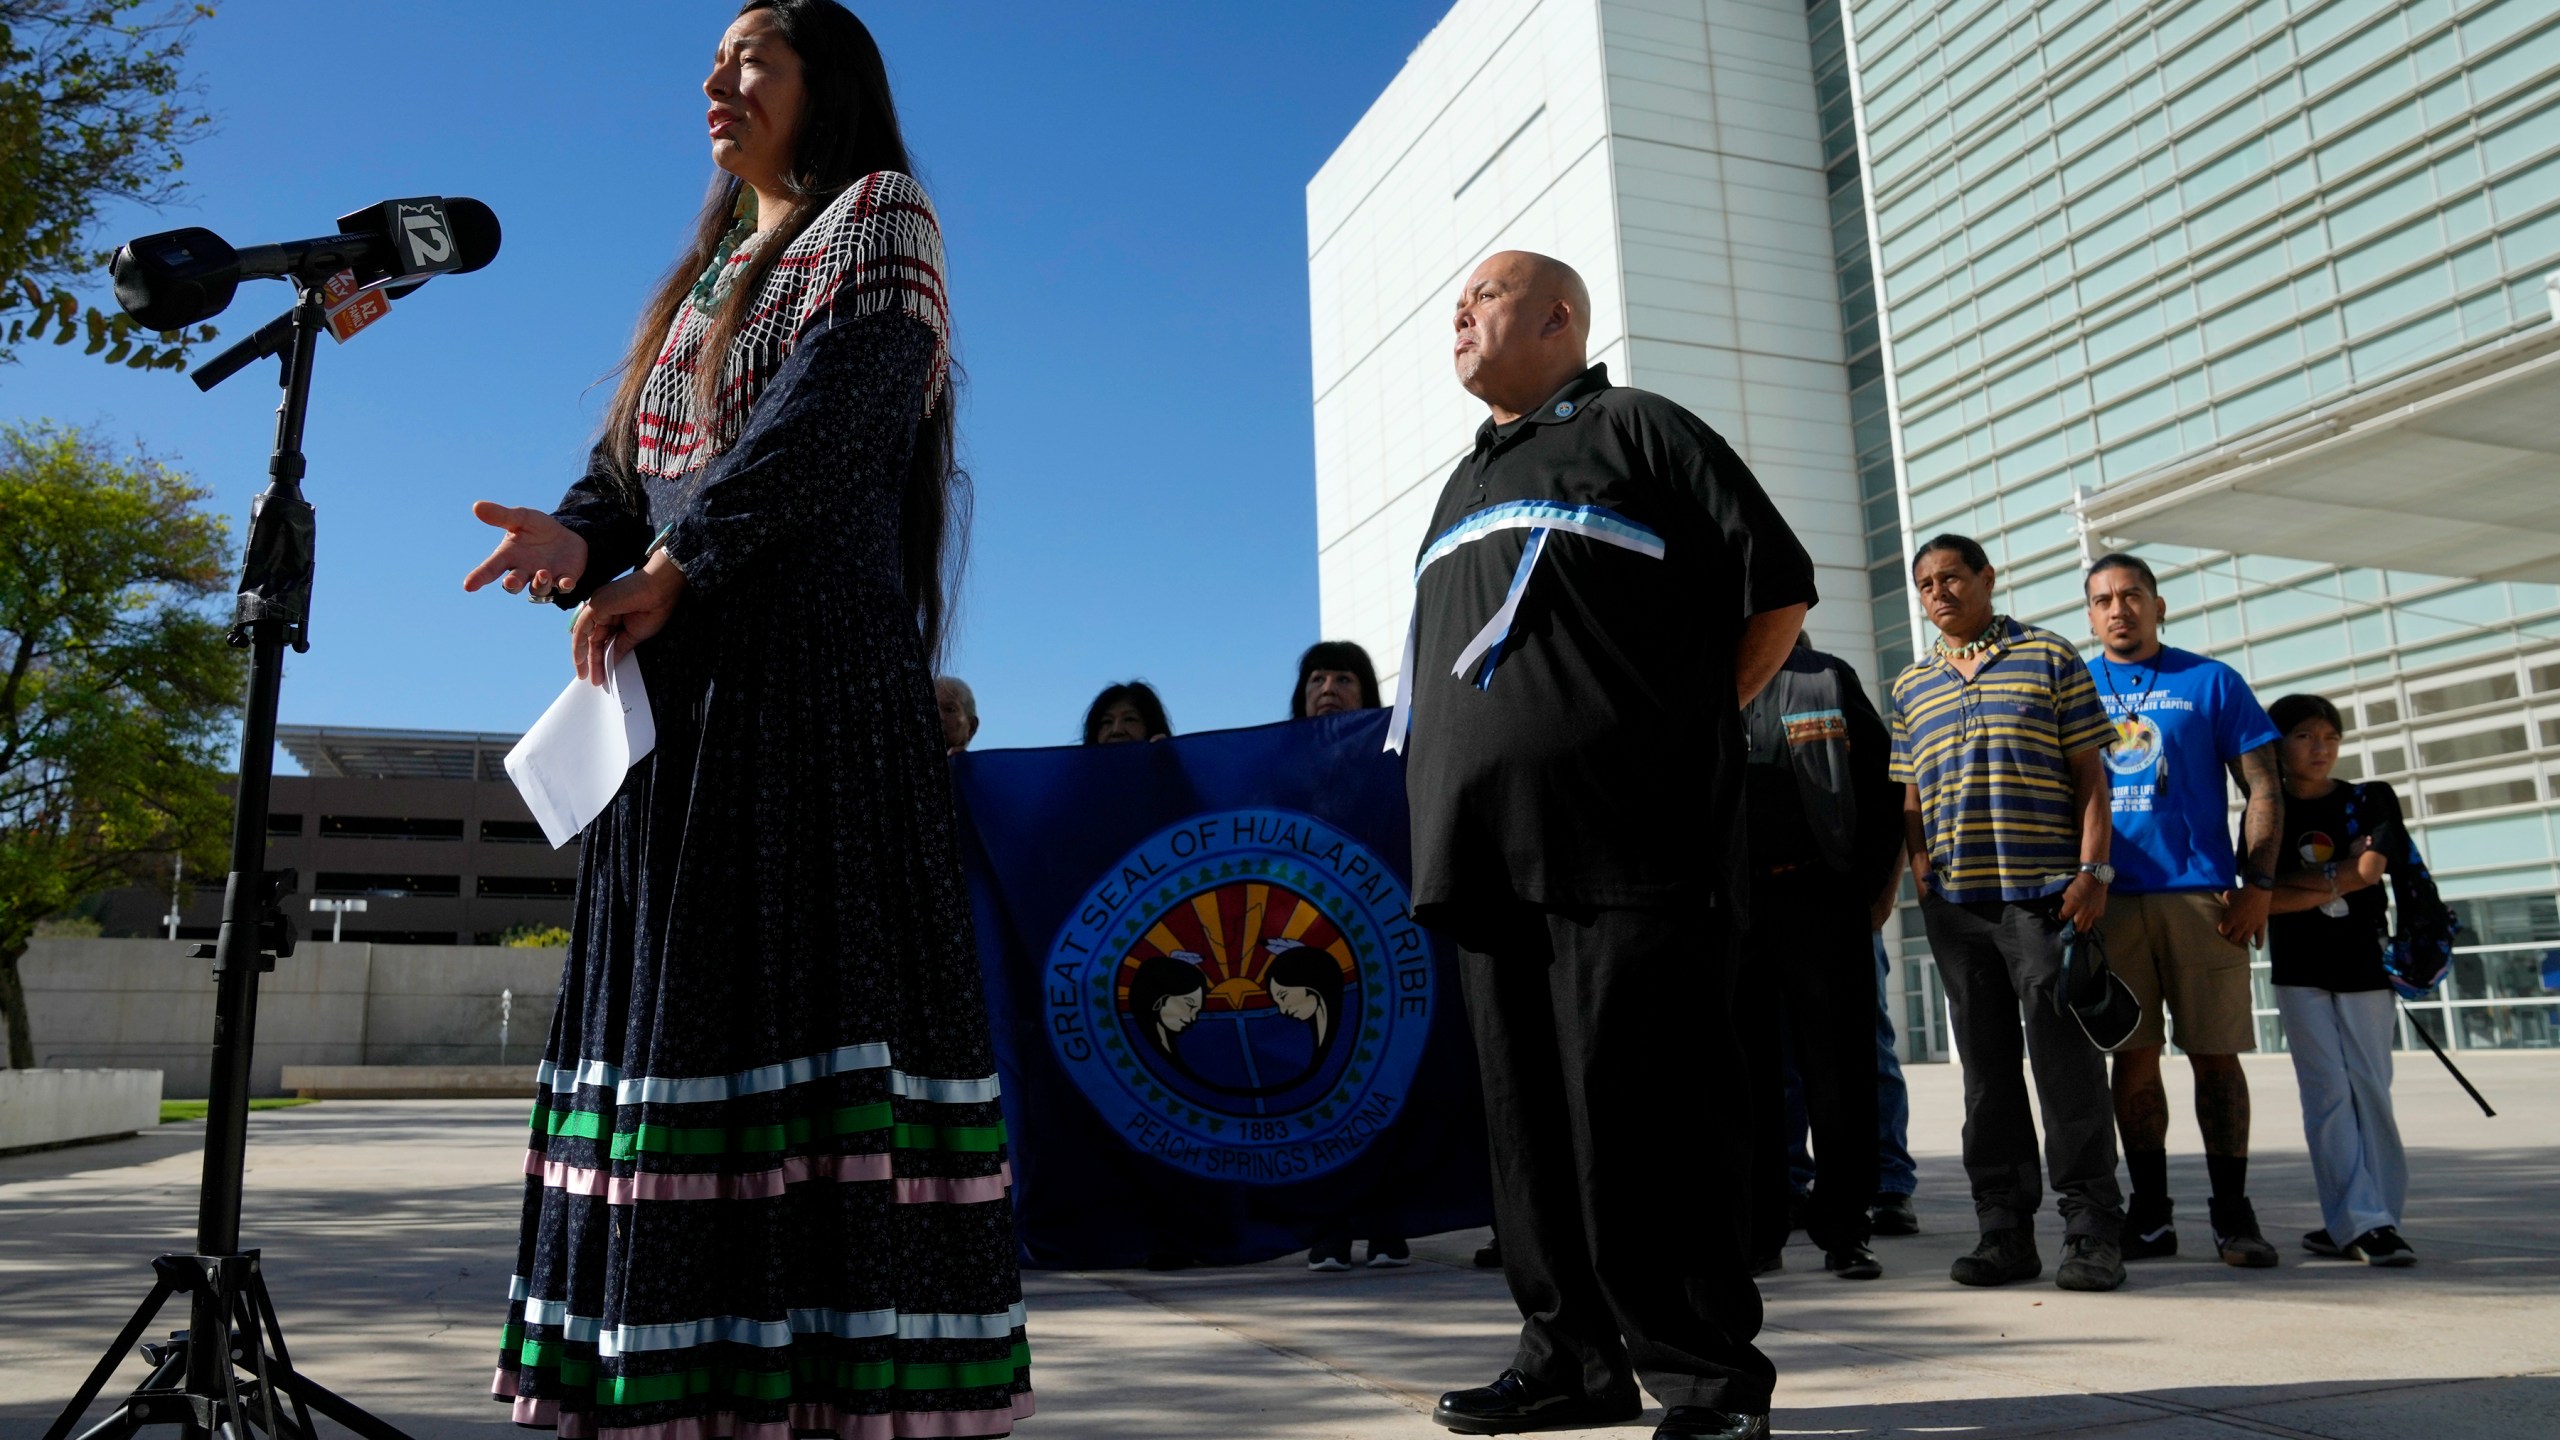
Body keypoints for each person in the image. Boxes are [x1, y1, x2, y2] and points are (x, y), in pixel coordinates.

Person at [461, 6, 1030, 1435]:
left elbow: (829, 423)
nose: (716, 80)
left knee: (798, 1022)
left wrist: (667, 567)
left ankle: (821, 1387)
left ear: (824, 83)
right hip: (684, 702)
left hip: (810, 700)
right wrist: (576, 541)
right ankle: (681, 1381)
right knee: (680, 1028)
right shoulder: (707, 272)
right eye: (712, 61)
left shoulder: (877, 217)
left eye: (751, 56)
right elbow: (627, 474)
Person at [1406, 251, 1813, 1440]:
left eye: (1482, 298)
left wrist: (1679, 730)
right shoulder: (1460, 481)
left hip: (1628, 847)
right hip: (1483, 859)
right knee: (1528, 1130)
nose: (1459, 317)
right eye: (1457, 305)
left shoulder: (1639, 430)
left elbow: (1776, 588)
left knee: (1649, 1120)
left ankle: (1704, 1380)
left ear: (1558, 318)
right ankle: (1568, 1360)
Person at [1890, 534, 2127, 1294]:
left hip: (2044, 898)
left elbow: (2091, 776)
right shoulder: (1911, 685)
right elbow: (1910, 795)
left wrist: (2092, 872)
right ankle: (2004, 1230)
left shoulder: (2051, 657)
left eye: (1952, 576)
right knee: (1986, 1076)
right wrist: (1921, 865)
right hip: (1958, 909)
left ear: (1987, 578)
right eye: (1925, 582)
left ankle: (2090, 1230)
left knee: (2067, 1068)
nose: (1938, 592)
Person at [2081, 553, 2286, 1268]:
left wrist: (2258, 883)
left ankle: (2233, 1214)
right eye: (2104, 599)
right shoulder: (2074, 686)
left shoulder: (2211, 680)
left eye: (2132, 594)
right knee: (2132, 1062)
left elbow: (2263, 785)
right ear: (2091, 613)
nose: (2119, 609)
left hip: (2203, 899)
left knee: (2215, 1058)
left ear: (2158, 604)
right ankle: (2150, 1214)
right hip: (2110, 899)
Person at [1736, 638, 1902, 1282]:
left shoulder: (1827, 679)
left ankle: (1846, 1230)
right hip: (1738, 911)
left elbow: (1885, 787)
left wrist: (1868, 889)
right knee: (1746, 1080)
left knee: (1841, 1074)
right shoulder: (1708, 675)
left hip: (1821, 902)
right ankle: (1758, 1232)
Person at [2263, 693, 2416, 1266]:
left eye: (2330, 736)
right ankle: (2359, 1220)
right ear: (2278, 744)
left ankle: (2373, 1217)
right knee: (2326, 1096)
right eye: (2304, 735)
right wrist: (2339, 876)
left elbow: (2373, 869)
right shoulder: (2268, 810)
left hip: (2364, 969)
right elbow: (2262, 900)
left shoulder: (2369, 799)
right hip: (2299, 971)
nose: (2320, 747)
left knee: (2371, 1092)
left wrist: (2304, 884)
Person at [1279, 643, 1413, 1271]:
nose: (1328, 687)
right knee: (1320, 1081)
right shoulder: (1275, 765)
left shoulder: (1395, 757)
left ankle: (1388, 1221)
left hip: (1387, 946)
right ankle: (1328, 1226)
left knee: (1385, 1075)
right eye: (1317, 678)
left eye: (1343, 677)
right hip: (1306, 948)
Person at [1293, 640, 1382, 717]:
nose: (1328, 689)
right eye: (1318, 679)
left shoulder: (1390, 736)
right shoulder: (1281, 736)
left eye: (1343, 680)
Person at [1083, 680, 1171, 744]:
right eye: (1107, 721)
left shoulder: (1174, 767)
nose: (1116, 730)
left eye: (1129, 719)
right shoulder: (1078, 769)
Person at [936, 674, 981, 753]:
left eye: (950, 710)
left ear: (971, 727)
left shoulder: (987, 764)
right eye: (931, 708)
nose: (939, 716)